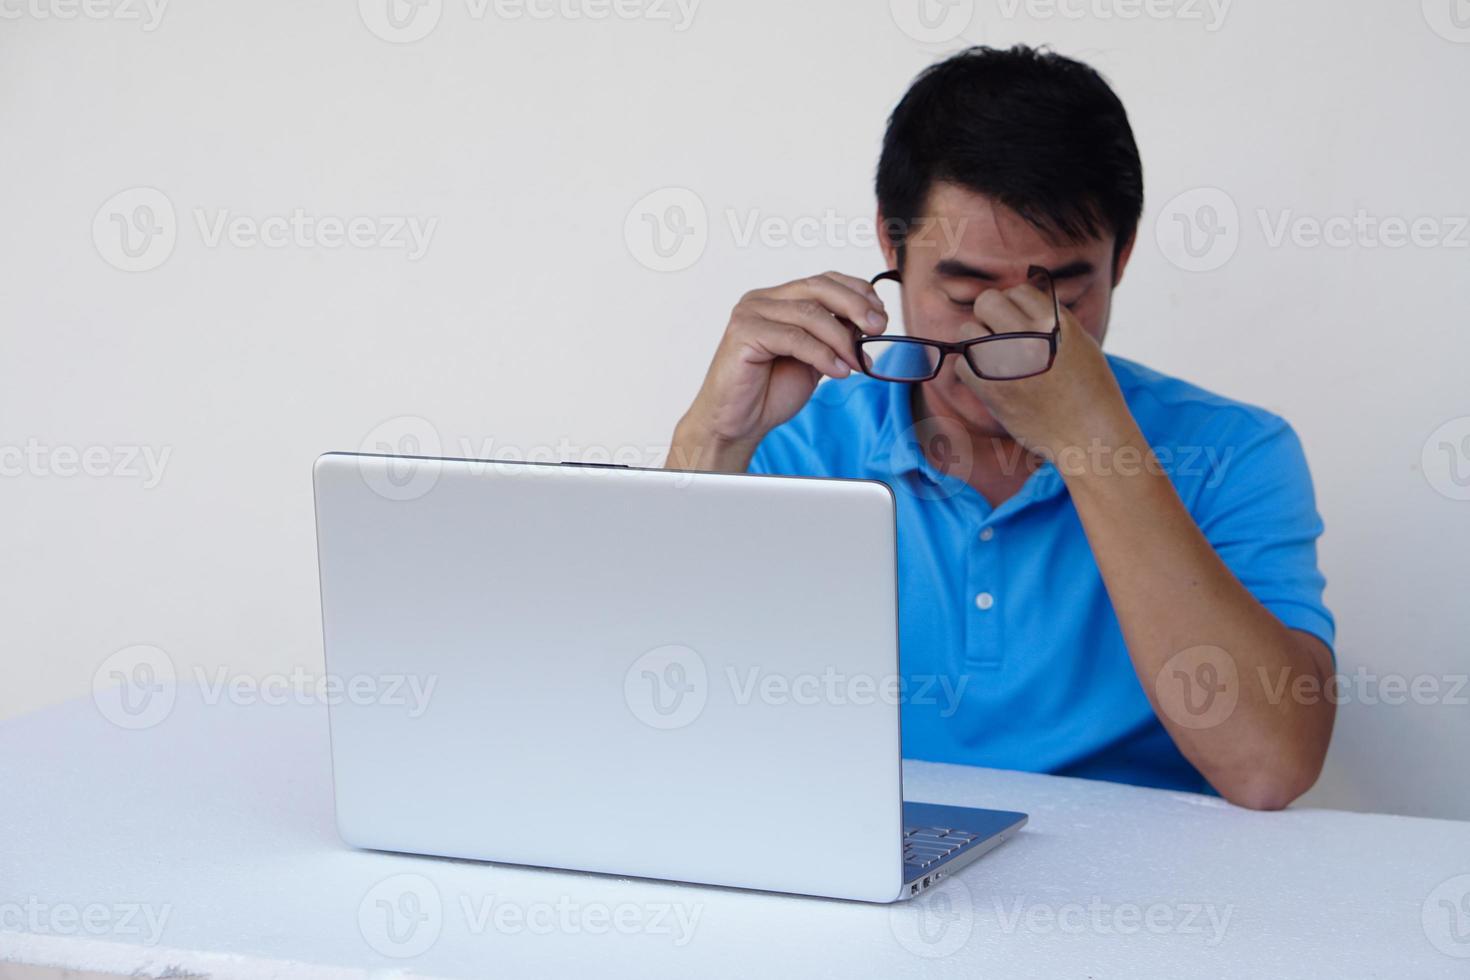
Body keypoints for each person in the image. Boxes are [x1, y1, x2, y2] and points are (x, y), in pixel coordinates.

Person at [666, 45, 1335, 809]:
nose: (1003, 342)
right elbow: (653, 723)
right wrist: (709, 444)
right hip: (868, 862)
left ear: (1121, 260)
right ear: (892, 245)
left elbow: (1269, 768)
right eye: (965, 290)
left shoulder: (1234, 453)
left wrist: (1091, 443)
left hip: (1145, 899)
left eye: (1060, 299)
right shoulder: (795, 445)